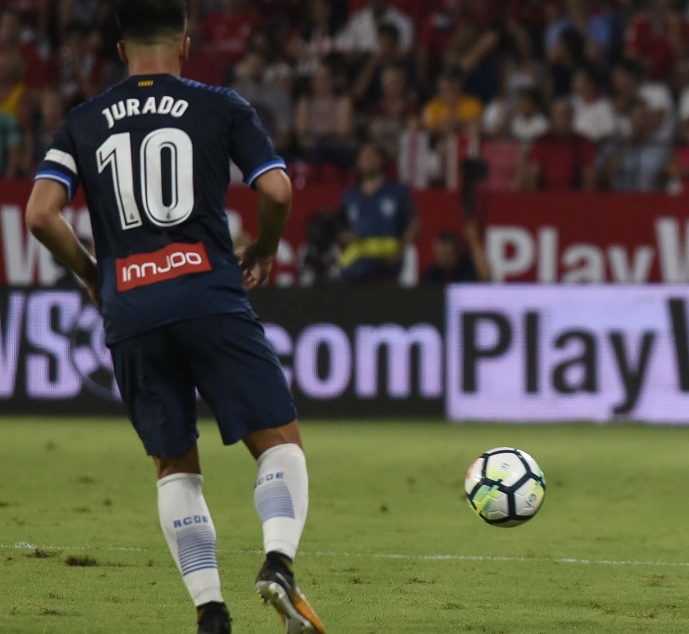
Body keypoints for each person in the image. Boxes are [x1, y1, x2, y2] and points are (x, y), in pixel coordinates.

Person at [24, 2, 325, 633]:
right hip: (208, 296)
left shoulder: (81, 122)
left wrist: (92, 274)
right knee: (279, 444)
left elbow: (40, 214)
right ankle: (277, 564)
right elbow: (274, 189)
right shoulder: (220, 105)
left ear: (120, 47)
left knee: (174, 465)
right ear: (185, 46)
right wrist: (265, 249)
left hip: (131, 308)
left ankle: (211, 615)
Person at [336, 142, 420, 283]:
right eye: (364, 157)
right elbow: (340, 227)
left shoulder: (397, 192)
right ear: (357, 163)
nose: (368, 160)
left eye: (372, 156)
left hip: (387, 260)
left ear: (382, 160)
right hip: (356, 262)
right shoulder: (349, 196)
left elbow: (415, 223)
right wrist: (344, 237)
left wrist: (401, 248)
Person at [421, 217, 491, 284]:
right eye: (439, 254)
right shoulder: (431, 275)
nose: (442, 258)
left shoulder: (467, 268)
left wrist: (474, 241)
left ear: (455, 253)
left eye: (445, 254)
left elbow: (486, 277)